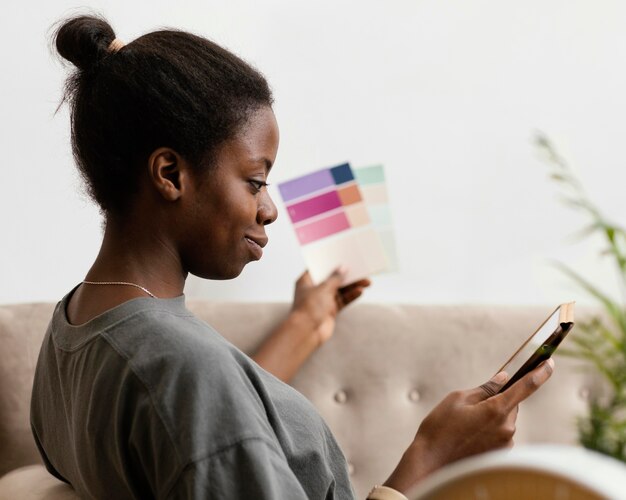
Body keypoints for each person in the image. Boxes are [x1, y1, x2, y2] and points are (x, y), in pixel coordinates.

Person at [30, 15, 555, 500]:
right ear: (170, 174)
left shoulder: (72, 331)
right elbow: (199, 406)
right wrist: (431, 460)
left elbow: (196, 432)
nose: (270, 209)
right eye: (255, 181)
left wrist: (307, 322)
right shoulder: (184, 368)